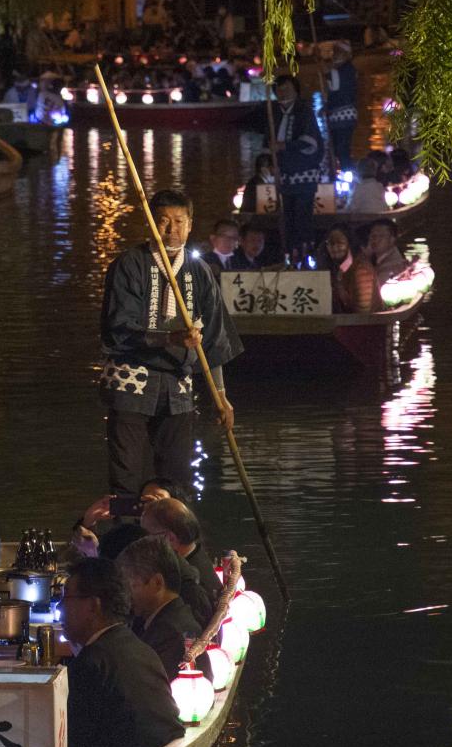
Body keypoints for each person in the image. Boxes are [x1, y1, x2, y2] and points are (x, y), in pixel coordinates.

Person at [98, 190, 242, 496]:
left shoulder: (199, 271)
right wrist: (170, 338)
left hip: (176, 386)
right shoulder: (128, 265)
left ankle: (172, 540)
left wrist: (220, 395)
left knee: (176, 481)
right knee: (127, 477)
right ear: (150, 223)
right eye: (162, 221)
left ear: (190, 225)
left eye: (179, 221)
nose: (171, 229)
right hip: (130, 382)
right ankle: (127, 537)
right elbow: (118, 329)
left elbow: (214, 338)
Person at [59, 558, 184, 747]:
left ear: (92, 606)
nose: (59, 607)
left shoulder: (91, 665)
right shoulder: (139, 648)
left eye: (66, 597)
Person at [118, 534, 203, 678]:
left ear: (157, 583)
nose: (126, 594)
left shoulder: (168, 635)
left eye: (132, 585)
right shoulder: (174, 619)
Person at [267, 75, 324, 261]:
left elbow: (311, 141)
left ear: (296, 90)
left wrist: (284, 146)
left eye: (287, 89)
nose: (283, 93)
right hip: (285, 174)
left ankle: (306, 253)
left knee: (302, 214)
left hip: (304, 173)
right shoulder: (276, 113)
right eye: (280, 90)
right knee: (288, 215)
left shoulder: (304, 111)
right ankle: (291, 254)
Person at [142, 497, 220, 625]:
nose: (142, 543)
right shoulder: (199, 556)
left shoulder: (185, 584)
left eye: (146, 535)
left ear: (169, 538)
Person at [70, 476, 179, 561]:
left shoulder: (180, 535)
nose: (148, 505)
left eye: (157, 499)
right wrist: (89, 520)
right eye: (144, 500)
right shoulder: (127, 534)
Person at [324, 40, 359, 168]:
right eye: (334, 52)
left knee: (341, 148)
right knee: (336, 148)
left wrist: (327, 71)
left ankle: (347, 171)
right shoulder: (341, 69)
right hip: (337, 115)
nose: (334, 55)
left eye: (338, 52)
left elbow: (336, 86)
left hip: (344, 114)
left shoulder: (347, 69)